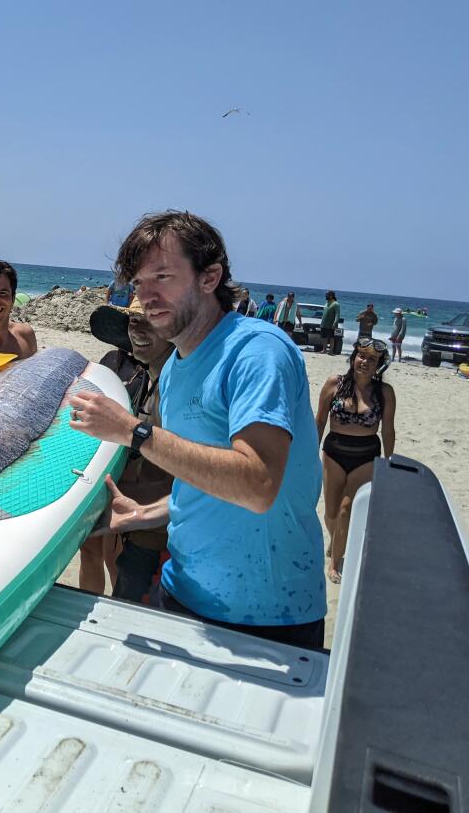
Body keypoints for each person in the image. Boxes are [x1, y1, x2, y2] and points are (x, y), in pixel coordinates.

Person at [68, 210, 326, 650]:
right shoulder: (174, 370)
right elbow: (206, 479)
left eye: (162, 277)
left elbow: (258, 484)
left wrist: (135, 431)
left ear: (210, 278)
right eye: (138, 283)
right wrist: (147, 513)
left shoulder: (256, 352)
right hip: (181, 591)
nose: (146, 296)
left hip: (268, 614)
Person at [79, 299, 174, 601]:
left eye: (150, 320)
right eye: (133, 321)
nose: (139, 330)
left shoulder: (170, 384)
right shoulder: (113, 364)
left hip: (152, 525)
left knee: (124, 581)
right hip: (124, 498)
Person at [315, 338, 396, 583]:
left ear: (379, 365)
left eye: (372, 359)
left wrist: (389, 462)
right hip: (334, 453)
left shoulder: (384, 393)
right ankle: (336, 541)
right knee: (330, 511)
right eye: (362, 356)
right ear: (353, 358)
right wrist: (311, 451)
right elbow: (319, 421)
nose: (365, 362)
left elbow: (388, 430)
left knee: (345, 509)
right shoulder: (334, 384)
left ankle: (334, 562)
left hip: (366, 456)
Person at [320, 290, 341, 354]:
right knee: (324, 337)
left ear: (331, 296)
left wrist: (335, 323)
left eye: (327, 295)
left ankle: (331, 351)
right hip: (324, 324)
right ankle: (324, 350)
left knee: (331, 338)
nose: (326, 296)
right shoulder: (326, 303)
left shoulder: (336, 304)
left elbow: (337, 315)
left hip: (331, 324)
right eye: (326, 295)